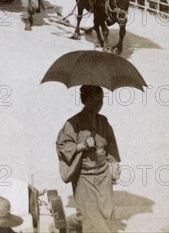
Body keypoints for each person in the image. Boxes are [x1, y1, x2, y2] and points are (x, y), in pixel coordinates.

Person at [56, 85, 121, 233]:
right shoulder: (73, 123)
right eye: (95, 100)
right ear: (85, 100)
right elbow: (62, 145)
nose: (99, 104)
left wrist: (114, 166)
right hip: (84, 178)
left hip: (103, 175)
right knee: (92, 218)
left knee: (105, 213)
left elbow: (111, 145)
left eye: (101, 100)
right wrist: (82, 145)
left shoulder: (103, 121)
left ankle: (66, 225)